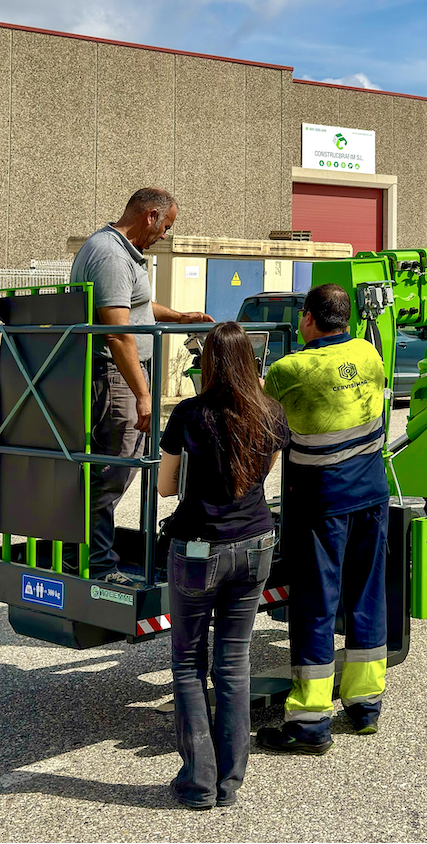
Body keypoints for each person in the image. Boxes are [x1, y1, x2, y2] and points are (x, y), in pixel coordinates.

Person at [158, 322, 289, 809]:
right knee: (234, 664)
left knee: (189, 664)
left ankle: (198, 784)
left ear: (209, 361)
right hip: (255, 543)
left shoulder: (190, 414)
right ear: (251, 360)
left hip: (198, 550)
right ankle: (228, 783)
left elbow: (166, 488)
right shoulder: (271, 412)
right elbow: (263, 471)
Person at [256, 283, 390, 754]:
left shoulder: (289, 369)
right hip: (372, 497)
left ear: (309, 319)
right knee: (367, 595)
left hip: (323, 505)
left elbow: (259, 424)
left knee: (316, 604)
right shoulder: (370, 354)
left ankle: (310, 724)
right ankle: (364, 706)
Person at [69, 187, 212, 584]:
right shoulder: (111, 255)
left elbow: (137, 307)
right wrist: (143, 394)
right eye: (166, 226)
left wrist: (180, 317)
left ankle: (84, 551)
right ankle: (95, 564)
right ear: (150, 215)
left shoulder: (122, 252)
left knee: (118, 468)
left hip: (124, 378)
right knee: (112, 470)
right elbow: (117, 333)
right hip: (116, 380)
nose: (165, 235)